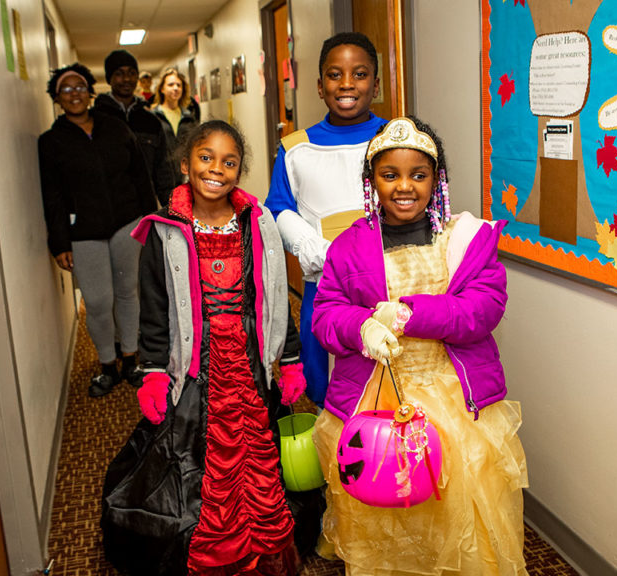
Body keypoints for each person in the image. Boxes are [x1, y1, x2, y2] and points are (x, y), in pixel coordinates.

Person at [311, 117, 529, 575]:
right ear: (371, 182)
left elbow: (484, 309)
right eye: (390, 175)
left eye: (419, 174)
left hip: (454, 397)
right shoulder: (348, 247)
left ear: (437, 179)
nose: (404, 186)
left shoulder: (466, 239)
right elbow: (326, 316)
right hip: (375, 398)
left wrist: (414, 314)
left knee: (457, 503)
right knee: (383, 506)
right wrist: (363, 328)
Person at [101, 121, 307, 575]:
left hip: (249, 364)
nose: (217, 169)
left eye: (229, 161)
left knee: (257, 457)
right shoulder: (163, 231)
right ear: (184, 164)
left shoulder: (259, 223)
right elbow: (154, 309)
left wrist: (289, 359)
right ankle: (208, 550)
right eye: (206, 158)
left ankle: (259, 545)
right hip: (195, 367)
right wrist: (153, 371)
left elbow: (275, 297)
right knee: (195, 460)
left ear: (240, 170)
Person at [265, 32, 387, 408]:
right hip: (325, 288)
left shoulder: (396, 138)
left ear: (376, 84)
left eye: (360, 74)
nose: (347, 84)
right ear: (320, 86)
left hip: (390, 287)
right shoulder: (296, 148)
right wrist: (316, 250)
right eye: (335, 75)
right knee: (330, 393)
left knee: (390, 390)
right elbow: (278, 210)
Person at [37, 63, 156, 397]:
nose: (74, 94)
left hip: (127, 223)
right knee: (99, 301)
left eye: (80, 87)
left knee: (128, 292)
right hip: (84, 232)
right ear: (56, 97)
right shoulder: (51, 142)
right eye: (66, 89)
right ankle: (107, 365)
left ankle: (132, 359)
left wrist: (152, 219)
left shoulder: (116, 128)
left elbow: (140, 177)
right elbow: (53, 196)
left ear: (90, 91)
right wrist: (59, 242)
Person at [95, 49, 175, 207]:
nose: (126, 79)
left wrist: (173, 211)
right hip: (107, 211)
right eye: (119, 73)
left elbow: (163, 171)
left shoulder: (151, 121)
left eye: (131, 73)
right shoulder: (96, 119)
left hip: (144, 208)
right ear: (109, 78)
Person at [151, 67, 198, 184]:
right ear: (162, 89)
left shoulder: (189, 117)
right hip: (161, 178)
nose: (176, 88)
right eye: (171, 85)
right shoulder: (153, 117)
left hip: (185, 177)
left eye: (179, 85)